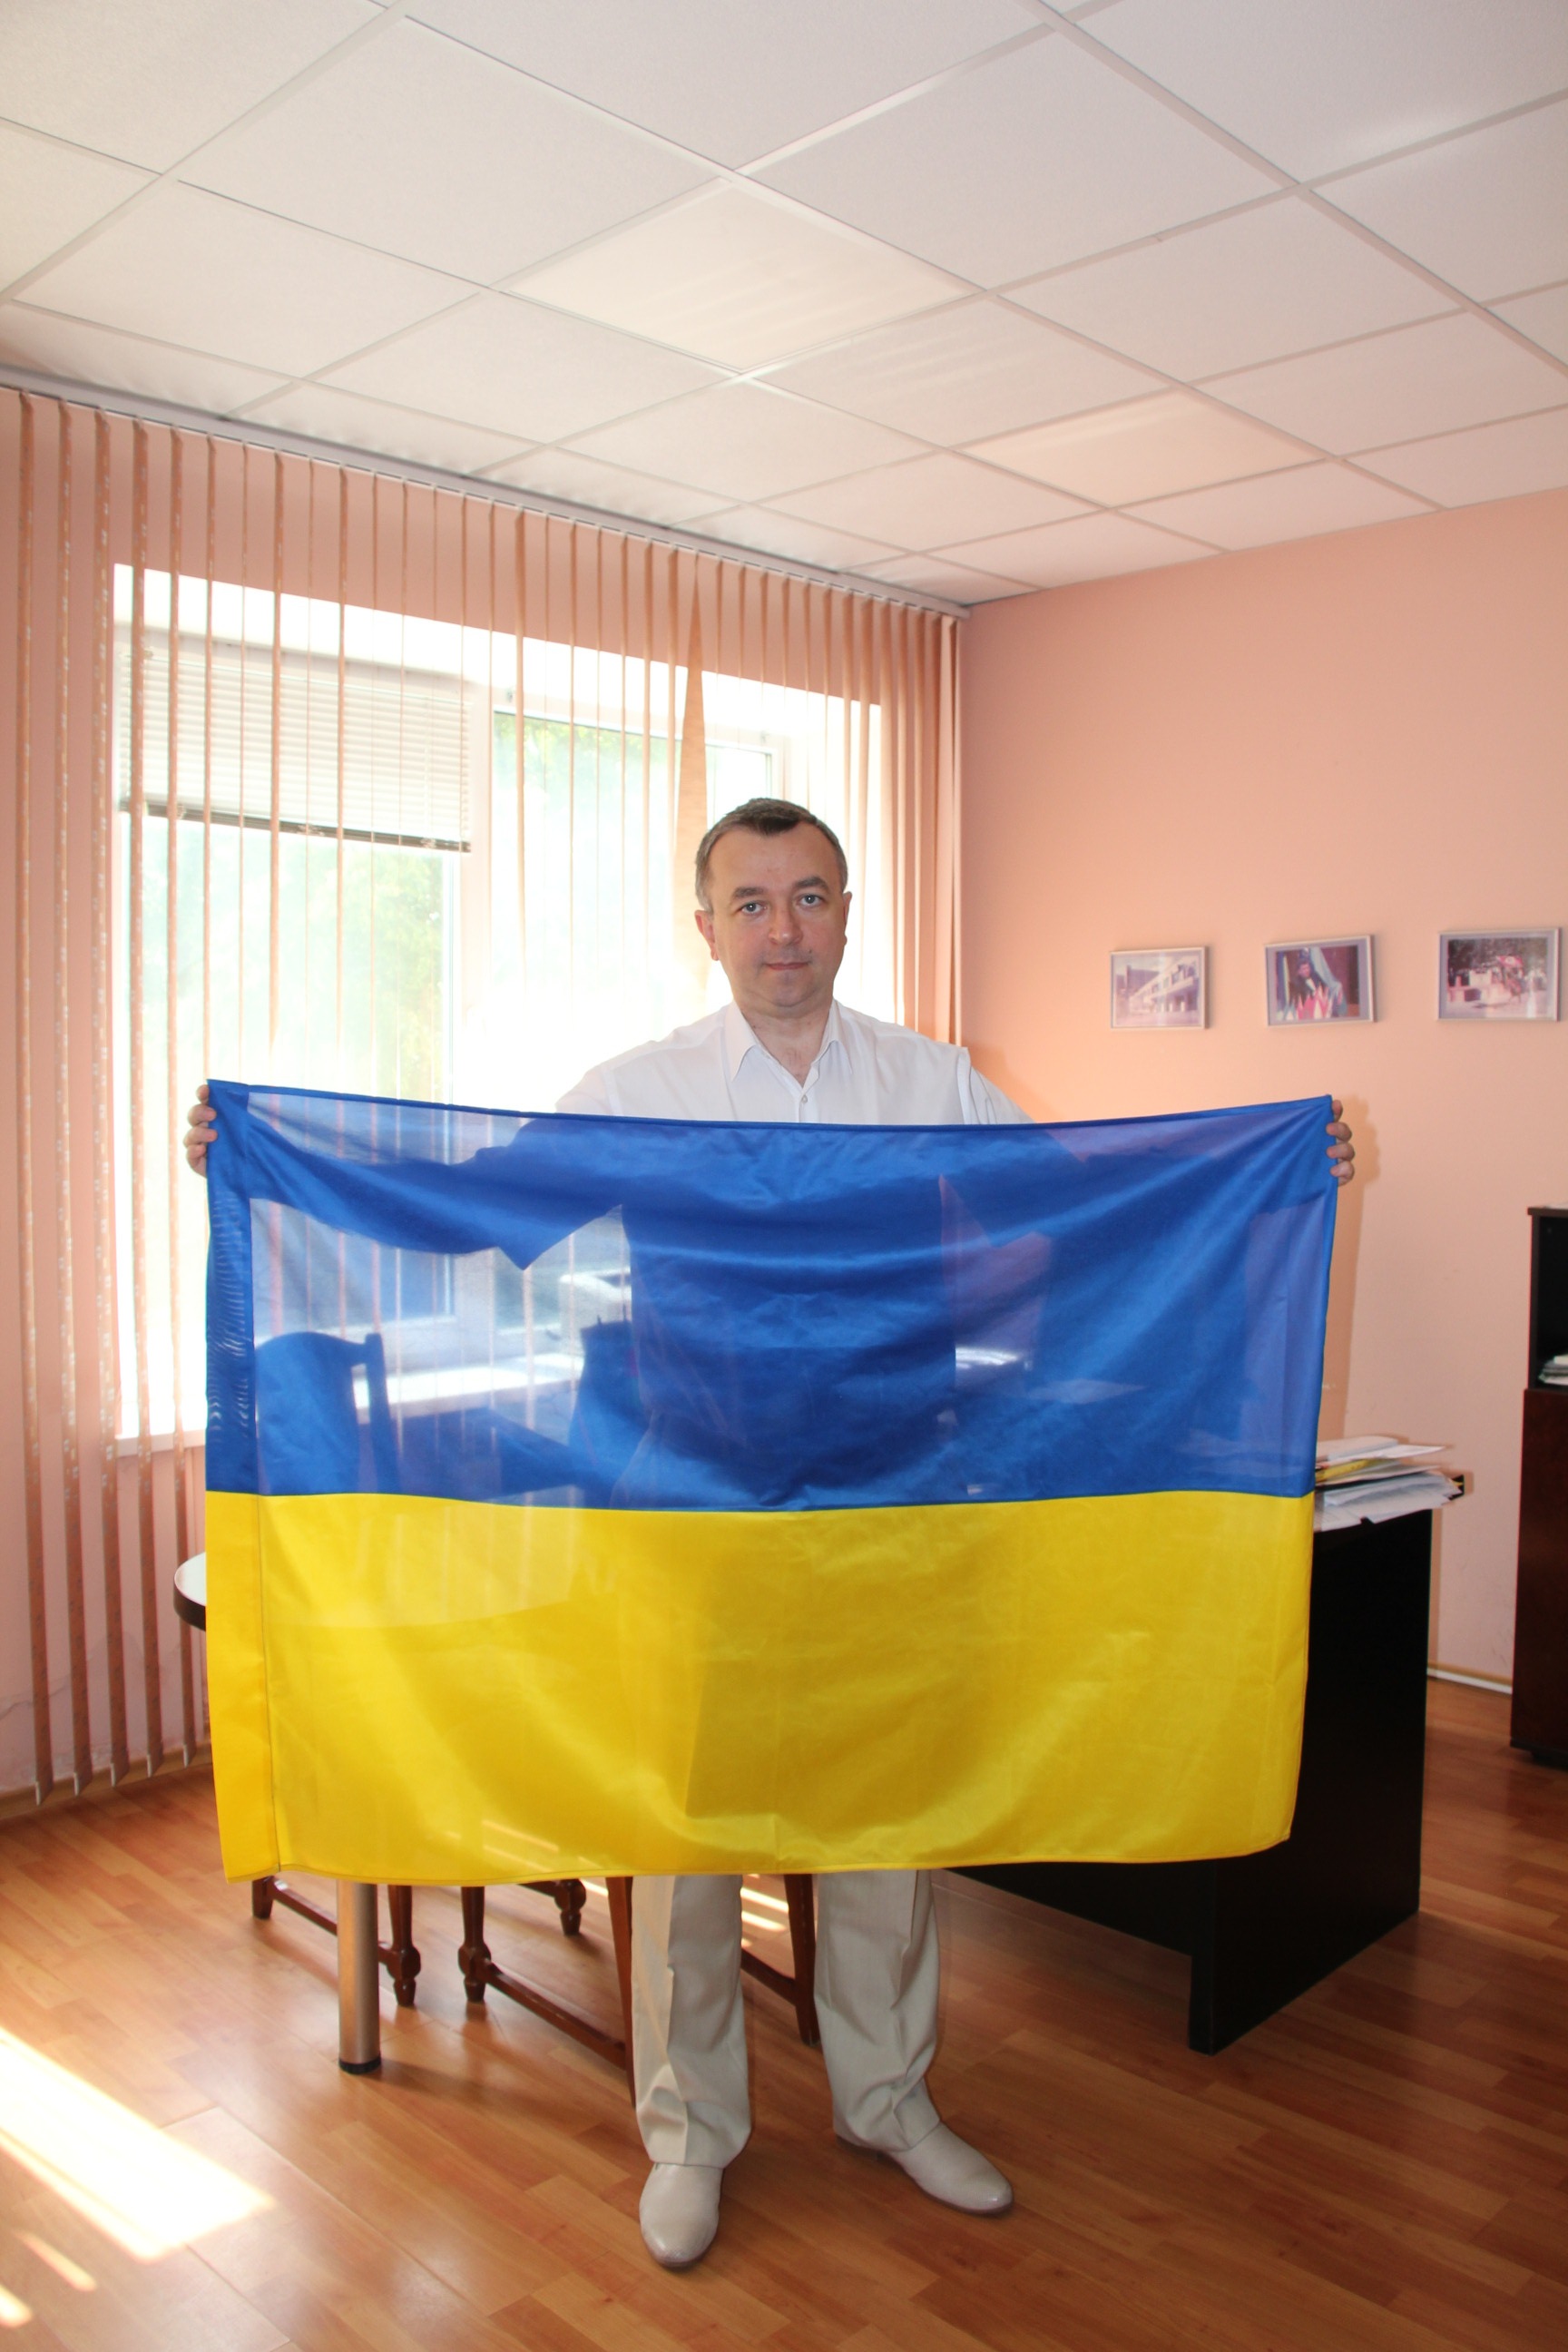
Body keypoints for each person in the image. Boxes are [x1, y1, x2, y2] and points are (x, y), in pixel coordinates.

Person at [186, 797, 1356, 2271]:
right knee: (684, 1834)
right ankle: (689, 2135)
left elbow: (1093, 1204)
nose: (783, 930)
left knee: (888, 1815)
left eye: (809, 896)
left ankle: (889, 2099)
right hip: (692, 1511)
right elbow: (473, 1205)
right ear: (708, 926)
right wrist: (262, 1157)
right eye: (752, 903)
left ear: (847, 910)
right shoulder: (639, 1090)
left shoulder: (930, 1082)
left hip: (893, 1499)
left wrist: (1277, 1174)